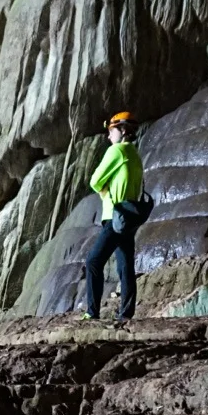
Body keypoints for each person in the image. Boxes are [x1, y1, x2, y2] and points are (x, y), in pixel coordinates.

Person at [83, 111, 144, 322]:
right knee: (125, 266)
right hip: (130, 217)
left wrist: (105, 192)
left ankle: (92, 312)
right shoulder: (134, 154)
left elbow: (95, 181)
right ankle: (126, 313)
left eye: (111, 130)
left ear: (123, 130)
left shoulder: (116, 151)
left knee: (93, 261)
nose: (109, 136)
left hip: (115, 216)